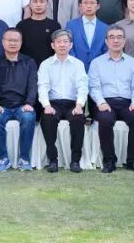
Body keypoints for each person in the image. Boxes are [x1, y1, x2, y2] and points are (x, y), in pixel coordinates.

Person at [89, 25, 134, 173]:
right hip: (106, 102)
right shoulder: (96, 63)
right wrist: (101, 102)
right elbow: (94, 87)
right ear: (106, 41)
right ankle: (109, 161)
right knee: (105, 119)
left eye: (119, 37)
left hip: (127, 103)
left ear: (124, 40)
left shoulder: (133, 63)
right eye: (112, 37)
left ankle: (133, 161)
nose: (116, 40)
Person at [0, 29, 39, 171]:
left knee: (28, 117)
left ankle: (24, 158)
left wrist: (29, 103)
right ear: (3, 42)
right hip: (2, 106)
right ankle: (3, 158)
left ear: (21, 43)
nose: (13, 43)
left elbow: (33, 85)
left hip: (22, 105)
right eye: (9, 40)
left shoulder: (29, 62)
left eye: (16, 40)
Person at [38, 29, 88, 173]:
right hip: (53, 103)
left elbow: (82, 86)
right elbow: (43, 87)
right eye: (58, 42)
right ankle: (52, 160)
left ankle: (75, 160)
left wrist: (79, 105)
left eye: (65, 42)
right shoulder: (45, 64)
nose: (62, 45)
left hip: (72, 103)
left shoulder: (78, 64)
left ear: (71, 45)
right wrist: (46, 105)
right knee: (48, 118)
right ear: (52, 45)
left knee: (78, 119)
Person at [66, 0, 108, 71]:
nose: (89, 6)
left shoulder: (105, 28)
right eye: (85, 3)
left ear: (98, 6)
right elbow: (69, 47)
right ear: (80, 6)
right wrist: (76, 65)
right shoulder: (71, 25)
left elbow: (106, 50)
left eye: (92, 3)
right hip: (75, 69)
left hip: (99, 70)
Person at [18, 0, 59, 64]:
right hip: (26, 66)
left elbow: (57, 49)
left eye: (42, 1)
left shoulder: (55, 26)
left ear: (47, 4)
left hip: (48, 66)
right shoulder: (21, 26)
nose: (38, 5)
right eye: (35, 1)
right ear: (30, 4)